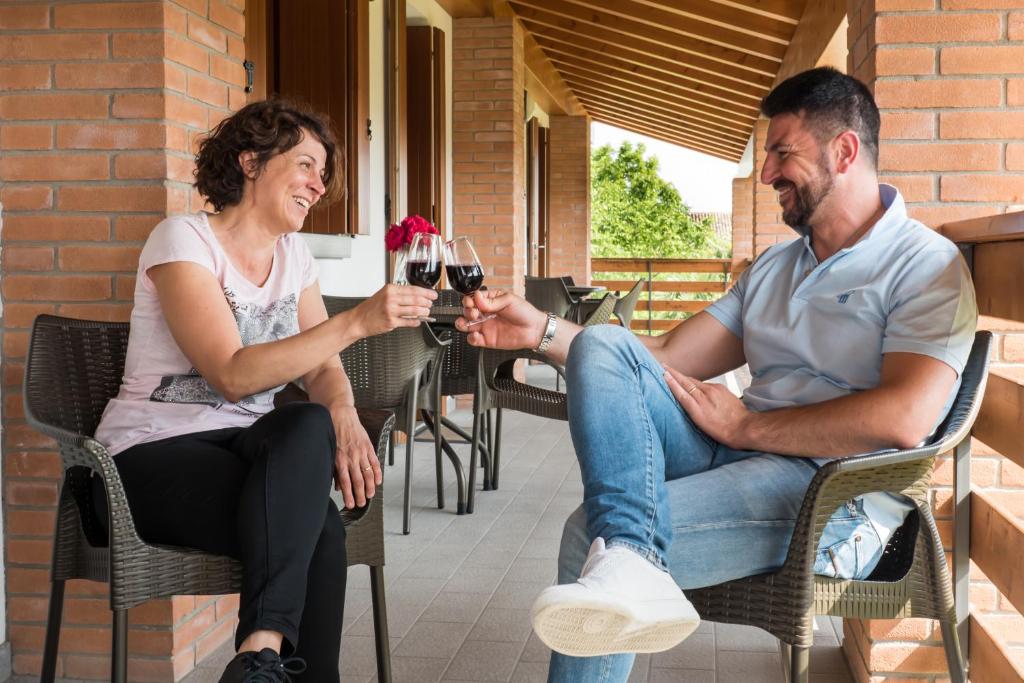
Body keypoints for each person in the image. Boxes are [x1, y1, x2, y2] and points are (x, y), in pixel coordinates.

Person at [457, 67, 977, 682]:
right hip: (741, 453)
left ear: (844, 151)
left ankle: (626, 556)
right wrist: (540, 332)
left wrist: (749, 427)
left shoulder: (925, 265)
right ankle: (631, 556)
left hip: (833, 493)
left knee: (583, 536)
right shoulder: (776, 266)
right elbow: (668, 354)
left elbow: (905, 419)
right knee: (603, 344)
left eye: (782, 152)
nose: (766, 175)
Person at [93, 99, 438, 683]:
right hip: (147, 458)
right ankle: (263, 659)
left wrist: (346, 417)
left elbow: (324, 371)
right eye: (305, 164)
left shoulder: (293, 258)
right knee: (322, 531)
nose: (317, 184)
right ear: (251, 162)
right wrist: (355, 321)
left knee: (311, 422)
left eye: (322, 173)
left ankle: (258, 657)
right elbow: (230, 372)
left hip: (243, 448)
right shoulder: (183, 240)